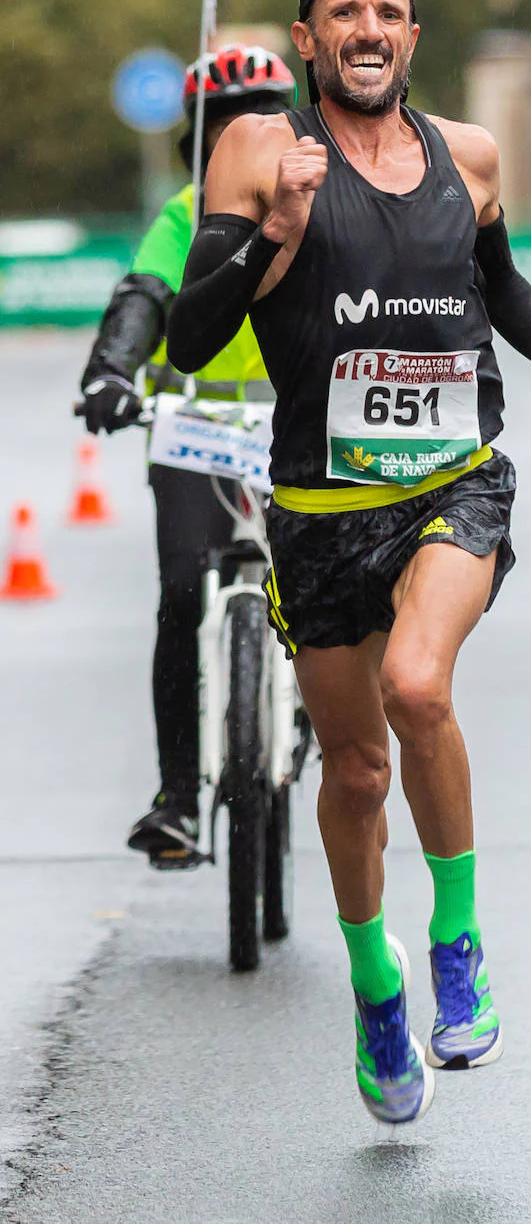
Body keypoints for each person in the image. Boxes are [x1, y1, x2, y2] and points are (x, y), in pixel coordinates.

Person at [166, 0, 531, 1123]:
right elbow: (187, 334)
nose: (367, 29)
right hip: (322, 511)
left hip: (452, 483)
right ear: (307, 38)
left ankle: (459, 939)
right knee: (357, 767)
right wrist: (275, 231)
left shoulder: (467, 157)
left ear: (411, 37)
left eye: (386, 11)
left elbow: (505, 286)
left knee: (418, 688)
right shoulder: (258, 149)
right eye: (344, 12)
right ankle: (375, 986)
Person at [79, 43, 297, 866]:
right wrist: (110, 371)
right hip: (195, 427)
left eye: (265, 117)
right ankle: (177, 796)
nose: (247, 136)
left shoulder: (316, 198)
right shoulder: (184, 213)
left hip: (299, 427)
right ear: (198, 142)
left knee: (334, 593)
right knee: (180, 591)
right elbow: (145, 297)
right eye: (227, 124)